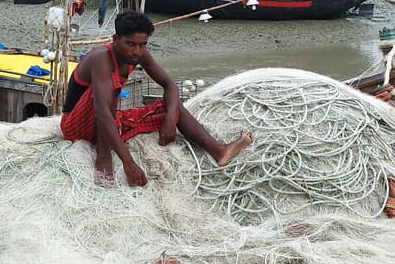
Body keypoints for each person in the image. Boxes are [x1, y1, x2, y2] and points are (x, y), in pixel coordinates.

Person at [60, 11, 253, 187]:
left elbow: (169, 85)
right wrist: (128, 163)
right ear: (116, 39)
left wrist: (170, 118)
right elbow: (102, 112)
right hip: (76, 125)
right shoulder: (101, 58)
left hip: (104, 118)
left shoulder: (139, 55)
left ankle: (218, 151)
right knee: (108, 89)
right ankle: (103, 158)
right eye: (130, 44)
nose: (136, 51)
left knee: (170, 103)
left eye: (142, 45)